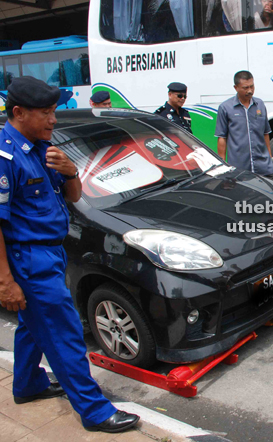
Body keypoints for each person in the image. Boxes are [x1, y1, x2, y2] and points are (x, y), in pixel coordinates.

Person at [0, 76, 139, 433]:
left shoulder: (44, 148)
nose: (53, 120)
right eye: (45, 113)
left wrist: (71, 170)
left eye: (54, 111)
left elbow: (74, 197)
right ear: (18, 112)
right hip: (28, 260)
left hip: (51, 253)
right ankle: (94, 411)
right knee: (64, 335)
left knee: (34, 327)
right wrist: (6, 281)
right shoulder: (5, 157)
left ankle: (27, 384)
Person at [216, 71, 273, 178]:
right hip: (239, 169)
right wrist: (222, 165)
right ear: (236, 88)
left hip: (263, 167)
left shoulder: (260, 105)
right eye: (245, 87)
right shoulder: (225, 108)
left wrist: (270, 157)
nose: (250, 91)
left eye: (252, 86)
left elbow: (265, 133)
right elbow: (222, 138)